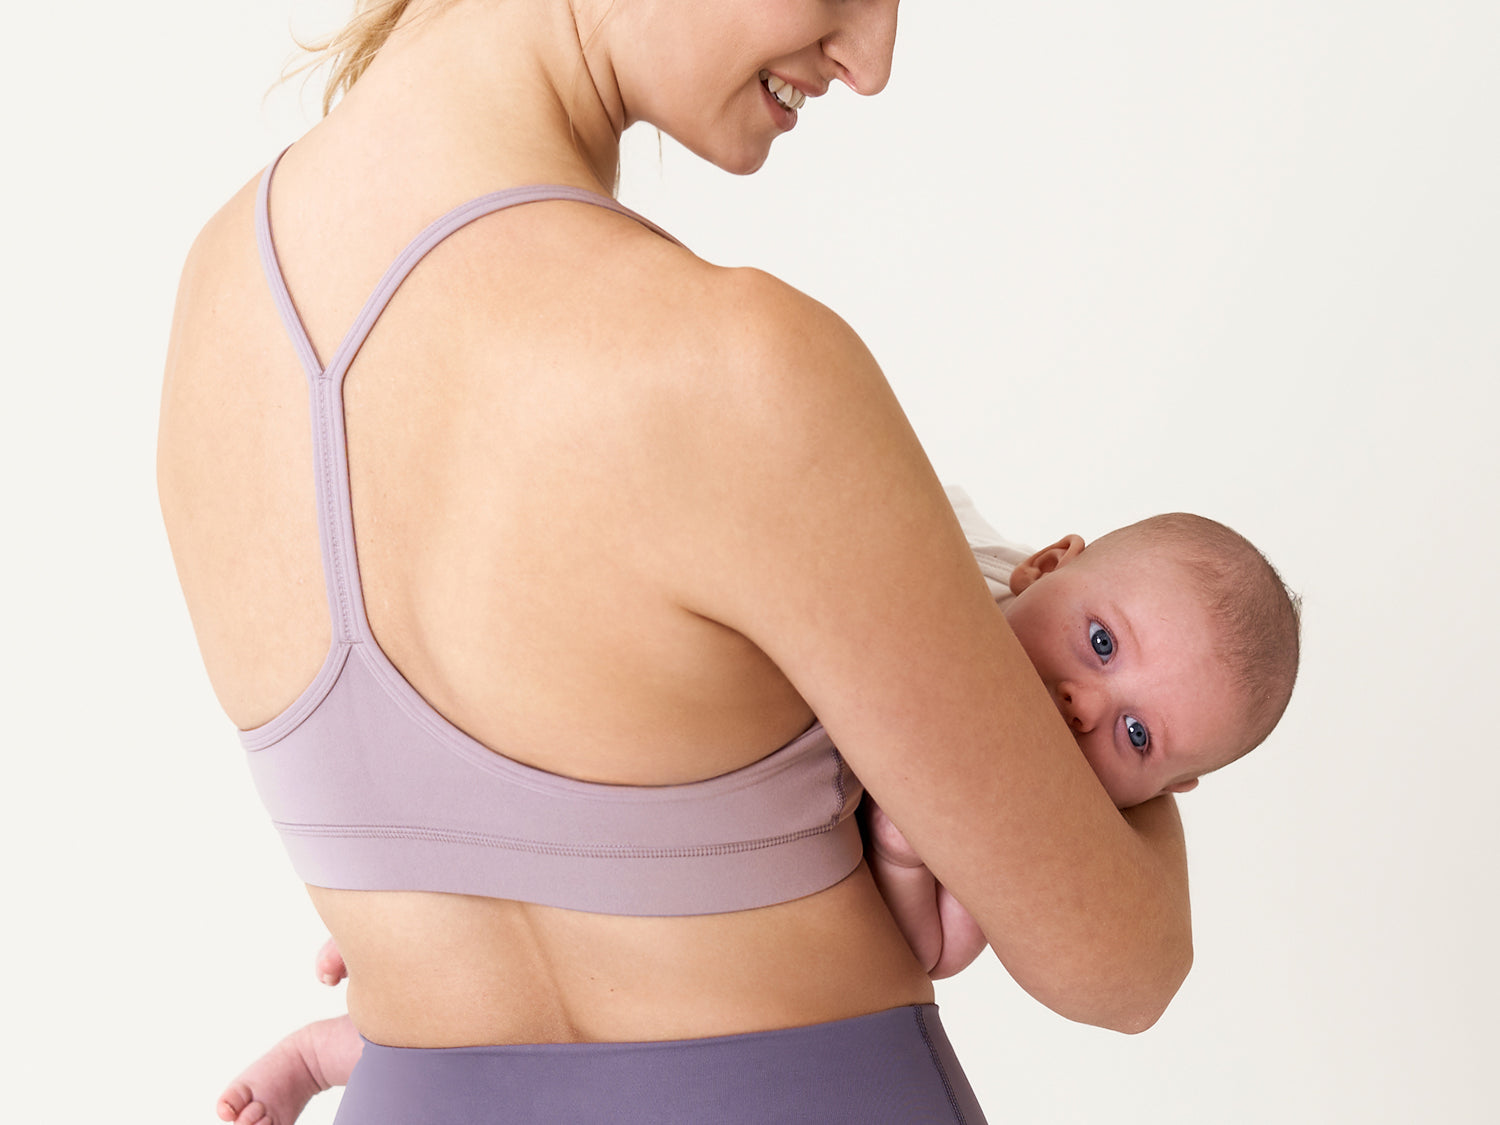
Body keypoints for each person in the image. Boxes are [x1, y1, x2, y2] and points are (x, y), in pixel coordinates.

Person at [160, 1, 1223, 1121]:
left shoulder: (216, 295)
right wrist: (1139, 745)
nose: (871, 61)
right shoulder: (740, 370)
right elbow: (1120, 965)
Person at [214, 489, 1300, 1125]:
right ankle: (348, 1021)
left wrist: (911, 854)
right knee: (509, 945)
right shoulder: (923, 584)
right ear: (1047, 565)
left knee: (590, 998)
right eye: (1101, 642)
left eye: (1137, 737)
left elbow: (932, 948)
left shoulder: (1031, 820)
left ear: (1169, 791)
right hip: (647, 823)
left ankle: (344, 1043)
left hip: (752, 957)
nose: (1083, 705)